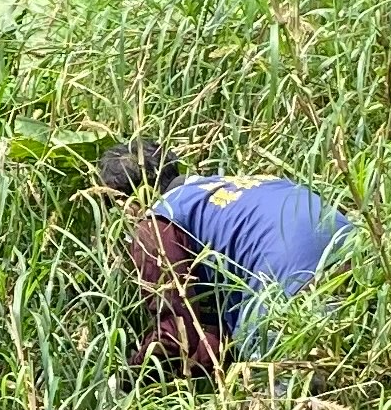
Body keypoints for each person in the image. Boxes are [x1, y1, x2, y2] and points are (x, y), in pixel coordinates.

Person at [94, 144, 355, 379]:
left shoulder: (158, 221)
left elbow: (175, 336)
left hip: (287, 278)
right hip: (357, 255)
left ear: (125, 204)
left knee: (287, 405)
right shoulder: (232, 186)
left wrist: (128, 380)